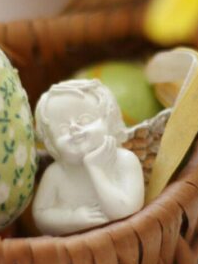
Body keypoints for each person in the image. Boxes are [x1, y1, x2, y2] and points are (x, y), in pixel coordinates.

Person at [33, 79, 145, 236]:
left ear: (109, 119)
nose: (74, 129)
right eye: (63, 128)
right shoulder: (56, 173)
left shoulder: (125, 161)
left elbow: (124, 211)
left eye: (85, 120)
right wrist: (73, 219)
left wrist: (96, 169)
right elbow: (40, 216)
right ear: (50, 143)